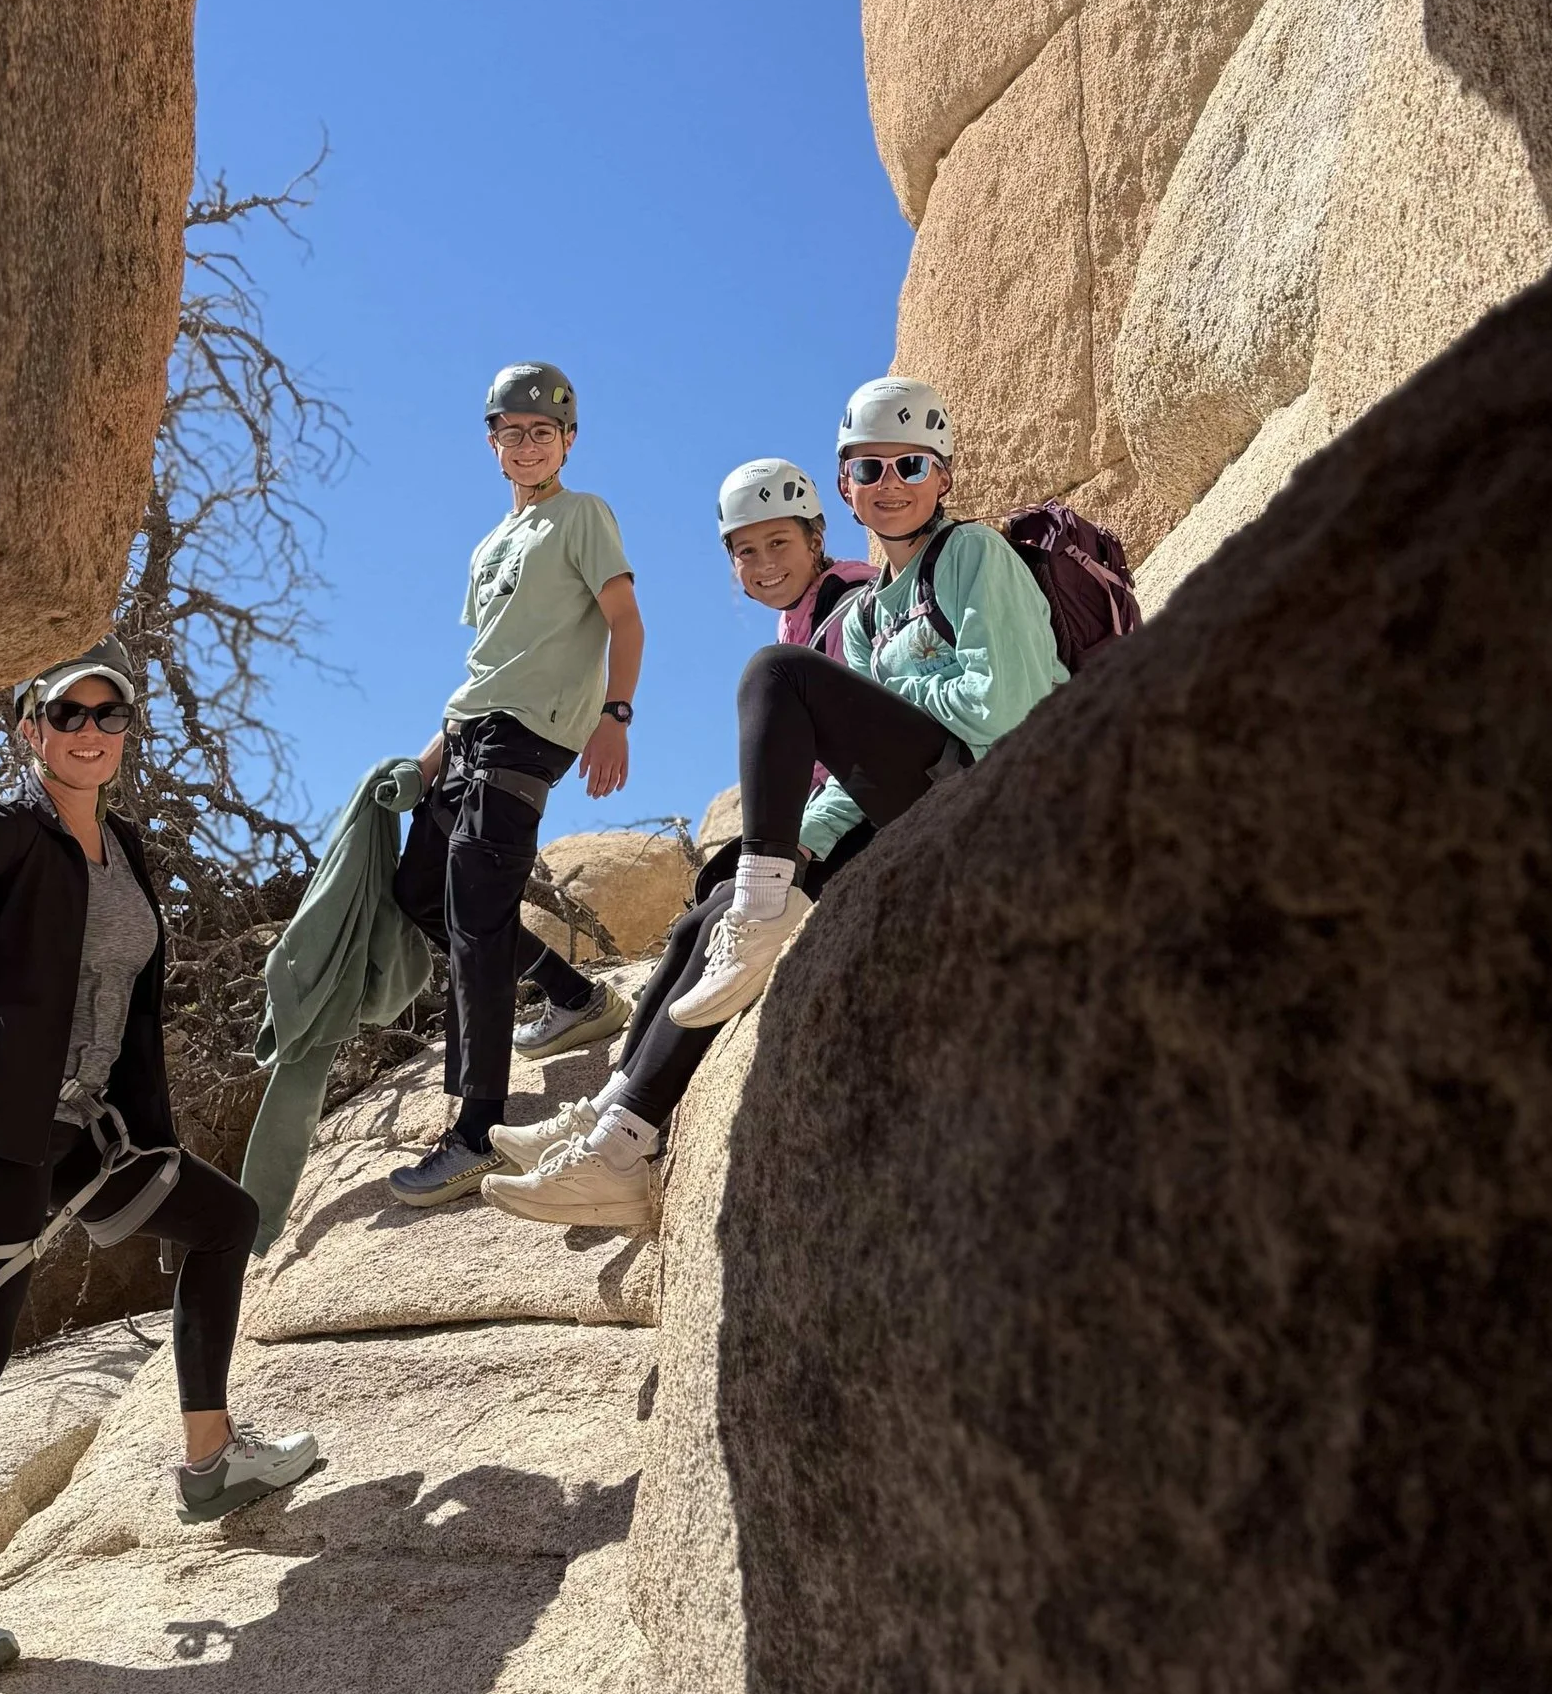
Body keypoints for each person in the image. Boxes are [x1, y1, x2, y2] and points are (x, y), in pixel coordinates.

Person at [0, 638, 321, 1685]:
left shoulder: (124, 847)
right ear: (31, 730)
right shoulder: (5, 828)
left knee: (224, 1220)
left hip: (82, 1130)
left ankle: (209, 1462)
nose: (91, 732)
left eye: (110, 715)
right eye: (68, 715)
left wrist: (139, 1110)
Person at [483, 457, 871, 1233]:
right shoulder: (804, 615)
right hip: (823, 826)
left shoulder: (850, 602)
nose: (763, 565)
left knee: (728, 911)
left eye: (778, 544)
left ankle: (621, 1146)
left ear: (816, 536)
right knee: (700, 923)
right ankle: (604, 1112)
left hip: (853, 826)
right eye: (746, 551)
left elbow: (859, 751)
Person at [662, 376, 1069, 1031]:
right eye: (868, 467)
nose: (890, 482)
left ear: (943, 476)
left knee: (778, 674)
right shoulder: (868, 616)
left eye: (911, 463)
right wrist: (803, 842)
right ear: (846, 484)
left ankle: (762, 910)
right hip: (932, 800)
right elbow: (861, 766)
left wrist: (893, 694)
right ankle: (622, 1112)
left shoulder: (973, 553)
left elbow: (1004, 709)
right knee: (717, 898)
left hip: (1010, 796)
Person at [386, 362, 644, 1209]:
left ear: (568, 440)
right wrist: (424, 761)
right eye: (513, 431)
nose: (527, 444)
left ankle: (475, 1131)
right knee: (421, 892)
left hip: (525, 740)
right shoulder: (489, 546)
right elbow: (484, 667)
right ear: (491, 442)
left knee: (475, 919)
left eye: (544, 431)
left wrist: (617, 714)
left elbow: (624, 618)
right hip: (467, 734)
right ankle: (574, 996)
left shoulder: (583, 515)